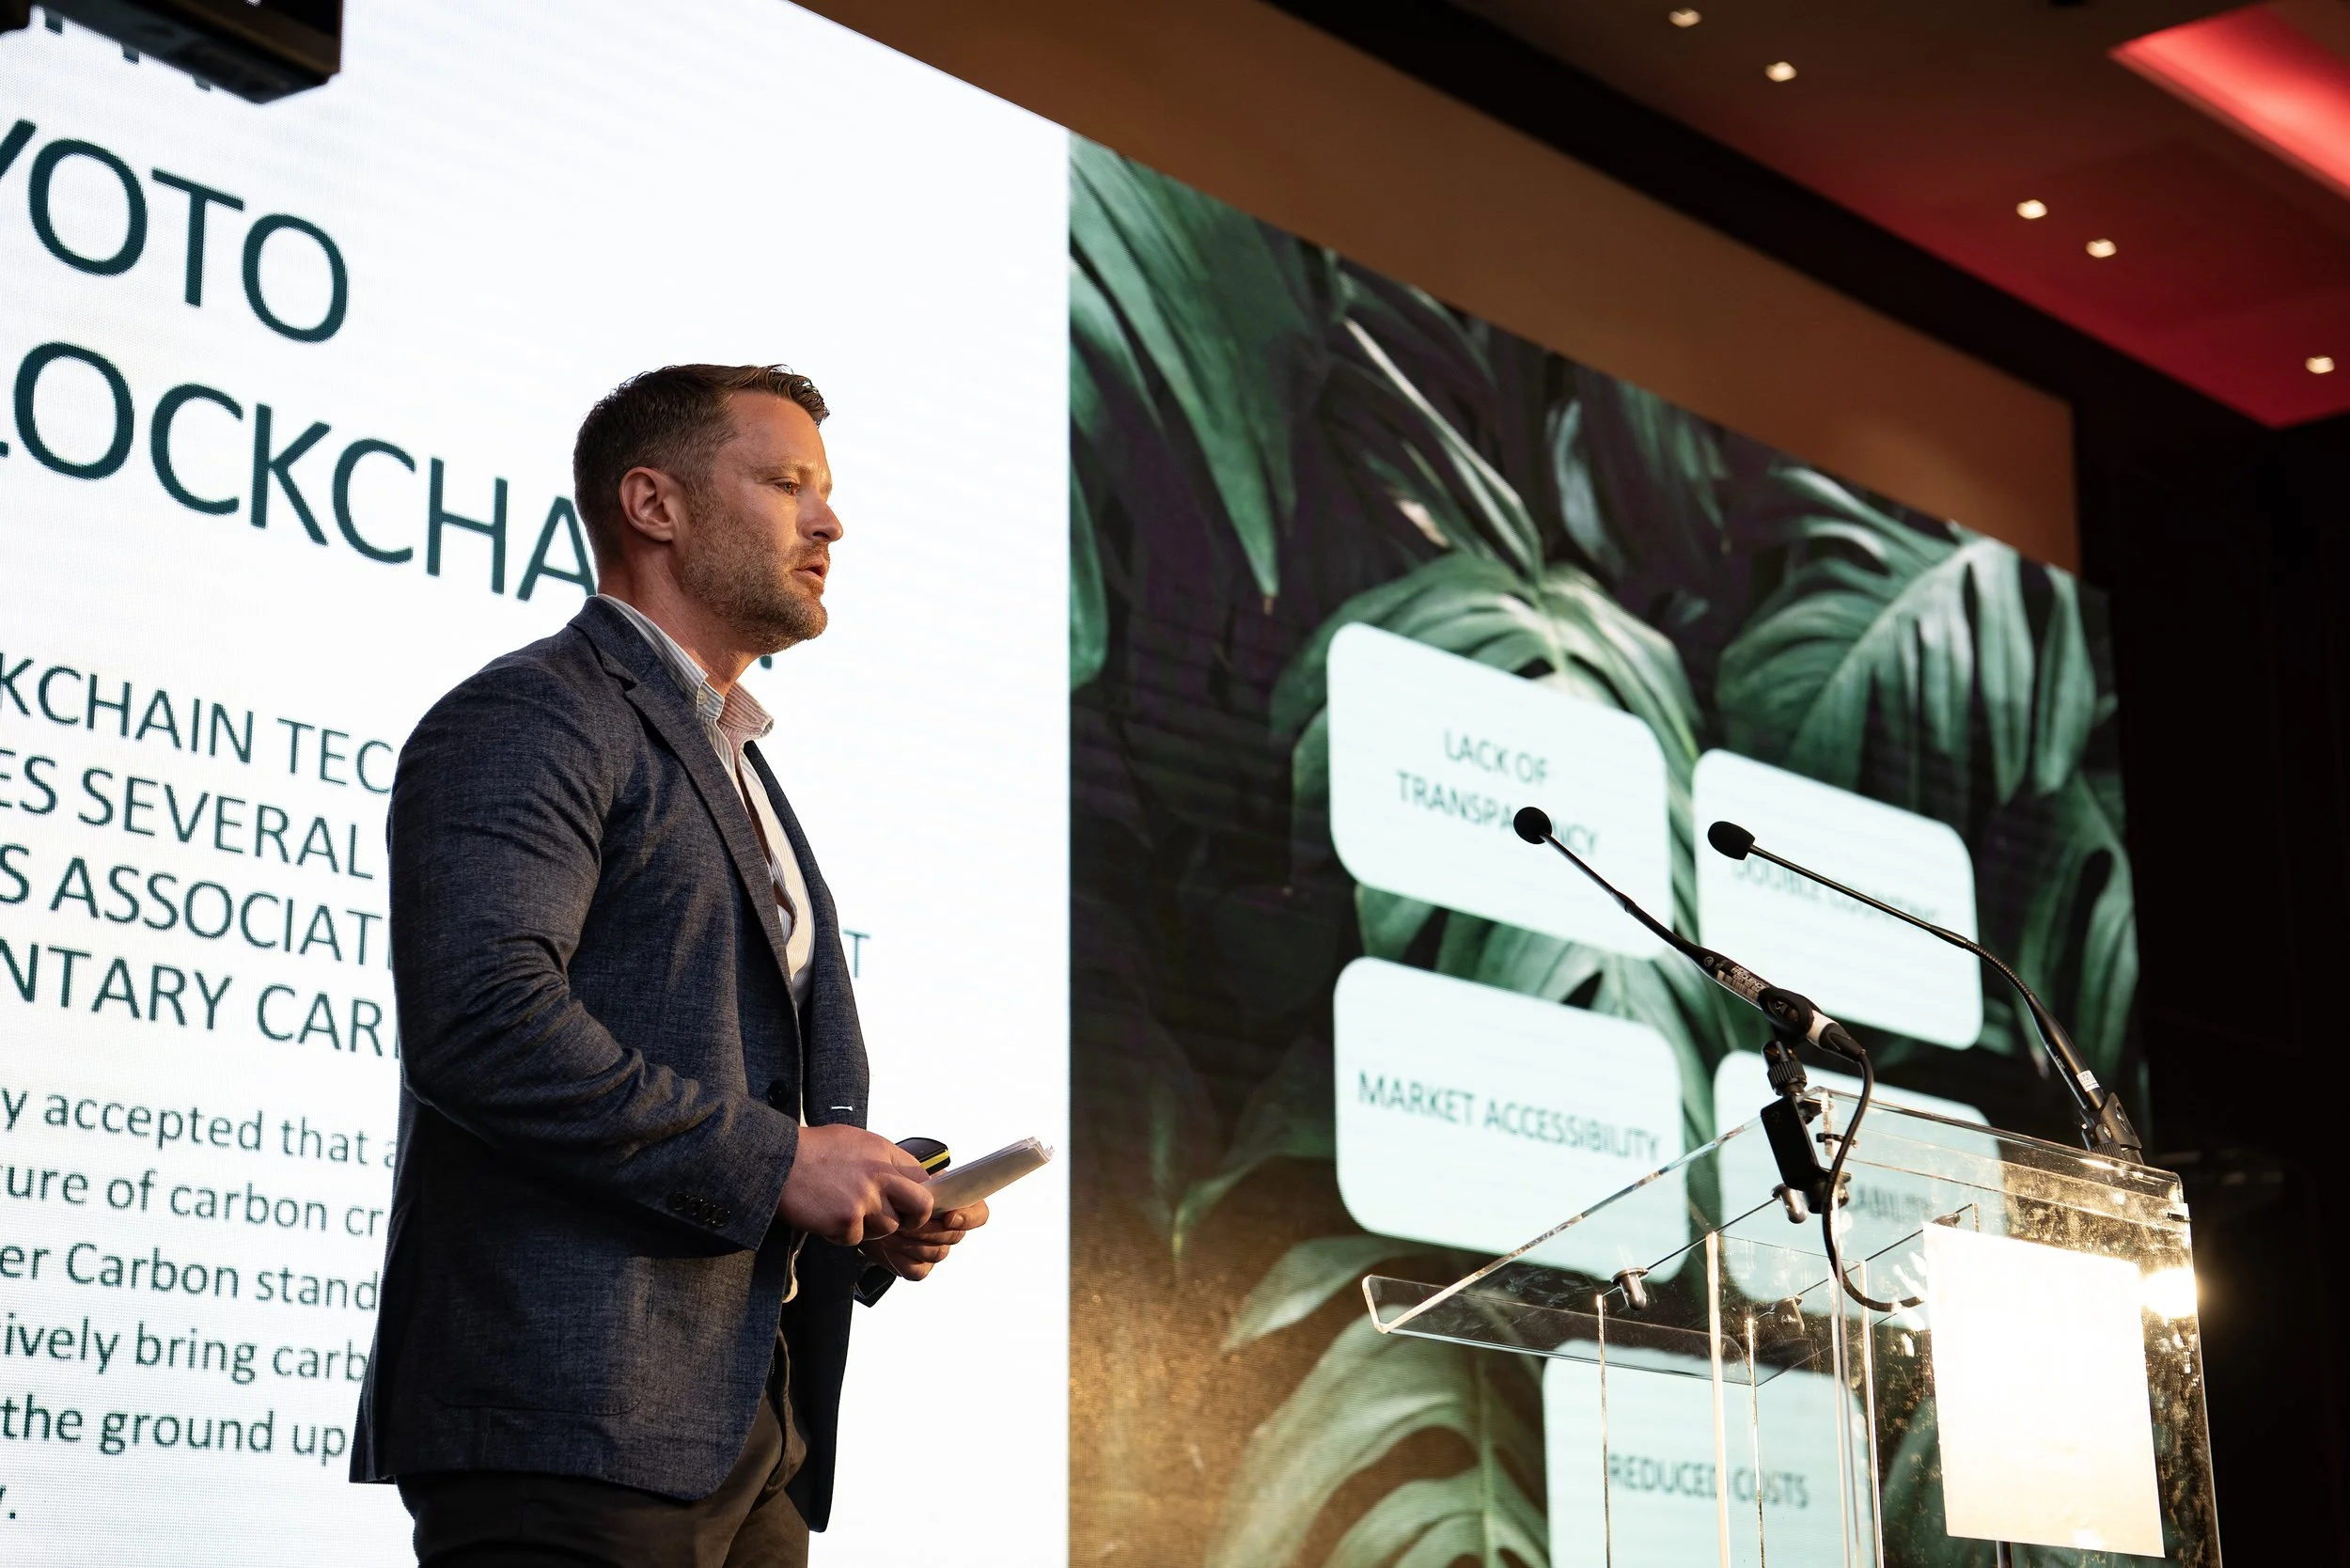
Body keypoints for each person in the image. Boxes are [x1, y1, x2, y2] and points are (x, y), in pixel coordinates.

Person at [352, 363, 986, 1566]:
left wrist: (860, 1209)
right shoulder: (536, 715)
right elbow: (481, 1024)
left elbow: (720, 1063)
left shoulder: (738, 759)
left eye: (828, 490)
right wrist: (778, 1160)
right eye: (787, 483)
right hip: (571, 1421)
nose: (830, 521)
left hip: (753, 1429)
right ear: (654, 505)